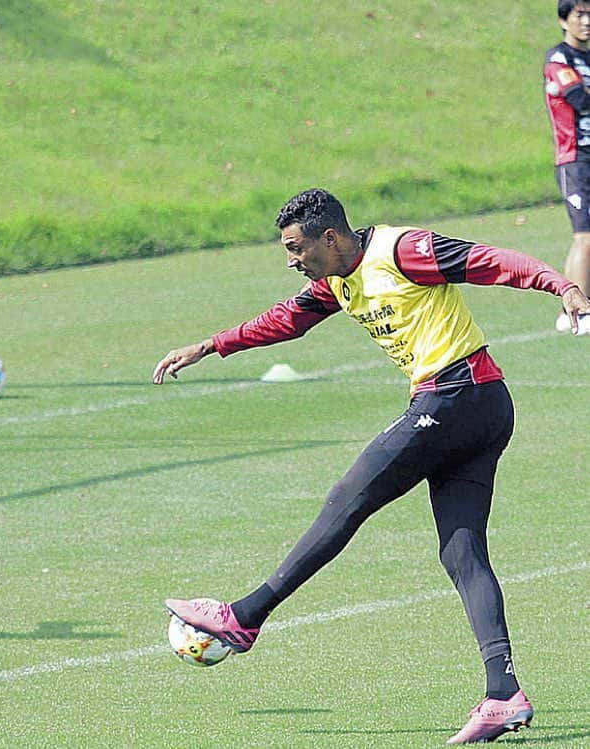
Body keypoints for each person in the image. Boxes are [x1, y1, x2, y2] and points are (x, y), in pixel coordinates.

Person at [152, 189, 590, 745]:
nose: (292, 260)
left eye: (297, 247)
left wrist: (565, 285)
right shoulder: (337, 278)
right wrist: (213, 344)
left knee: (347, 497)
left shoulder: (403, 250)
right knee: (461, 554)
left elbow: (494, 261)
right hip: (478, 405)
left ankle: (243, 617)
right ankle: (503, 694)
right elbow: (288, 319)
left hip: (455, 398)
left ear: (330, 237)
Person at [544, 0, 590, 334]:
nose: (586, 21)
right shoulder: (559, 58)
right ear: (564, 20)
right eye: (579, 15)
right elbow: (579, 98)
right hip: (575, 158)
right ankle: (575, 309)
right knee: (584, 237)